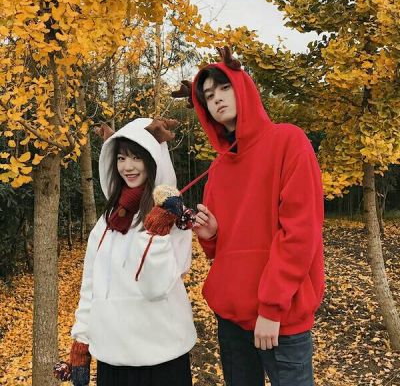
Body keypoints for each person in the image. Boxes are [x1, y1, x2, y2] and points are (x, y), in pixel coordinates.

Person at [190, 51, 325, 386]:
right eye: (209, 95)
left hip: (281, 319)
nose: (217, 98)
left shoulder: (288, 141)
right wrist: (211, 236)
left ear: (243, 87)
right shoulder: (218, 168)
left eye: (224, 88)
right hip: (231, 318)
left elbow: (300, 232)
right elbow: (222, 252)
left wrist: (271, 307)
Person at [64, 118, 197, 386]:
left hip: (162, 358)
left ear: (153, 161)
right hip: (112, 358)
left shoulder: (174, 219)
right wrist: (82, 338)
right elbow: (91, 283)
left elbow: (156, 287)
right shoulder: (108, 221)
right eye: (121, 158)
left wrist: (157, 233)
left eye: (137, 157)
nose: (127, 167)